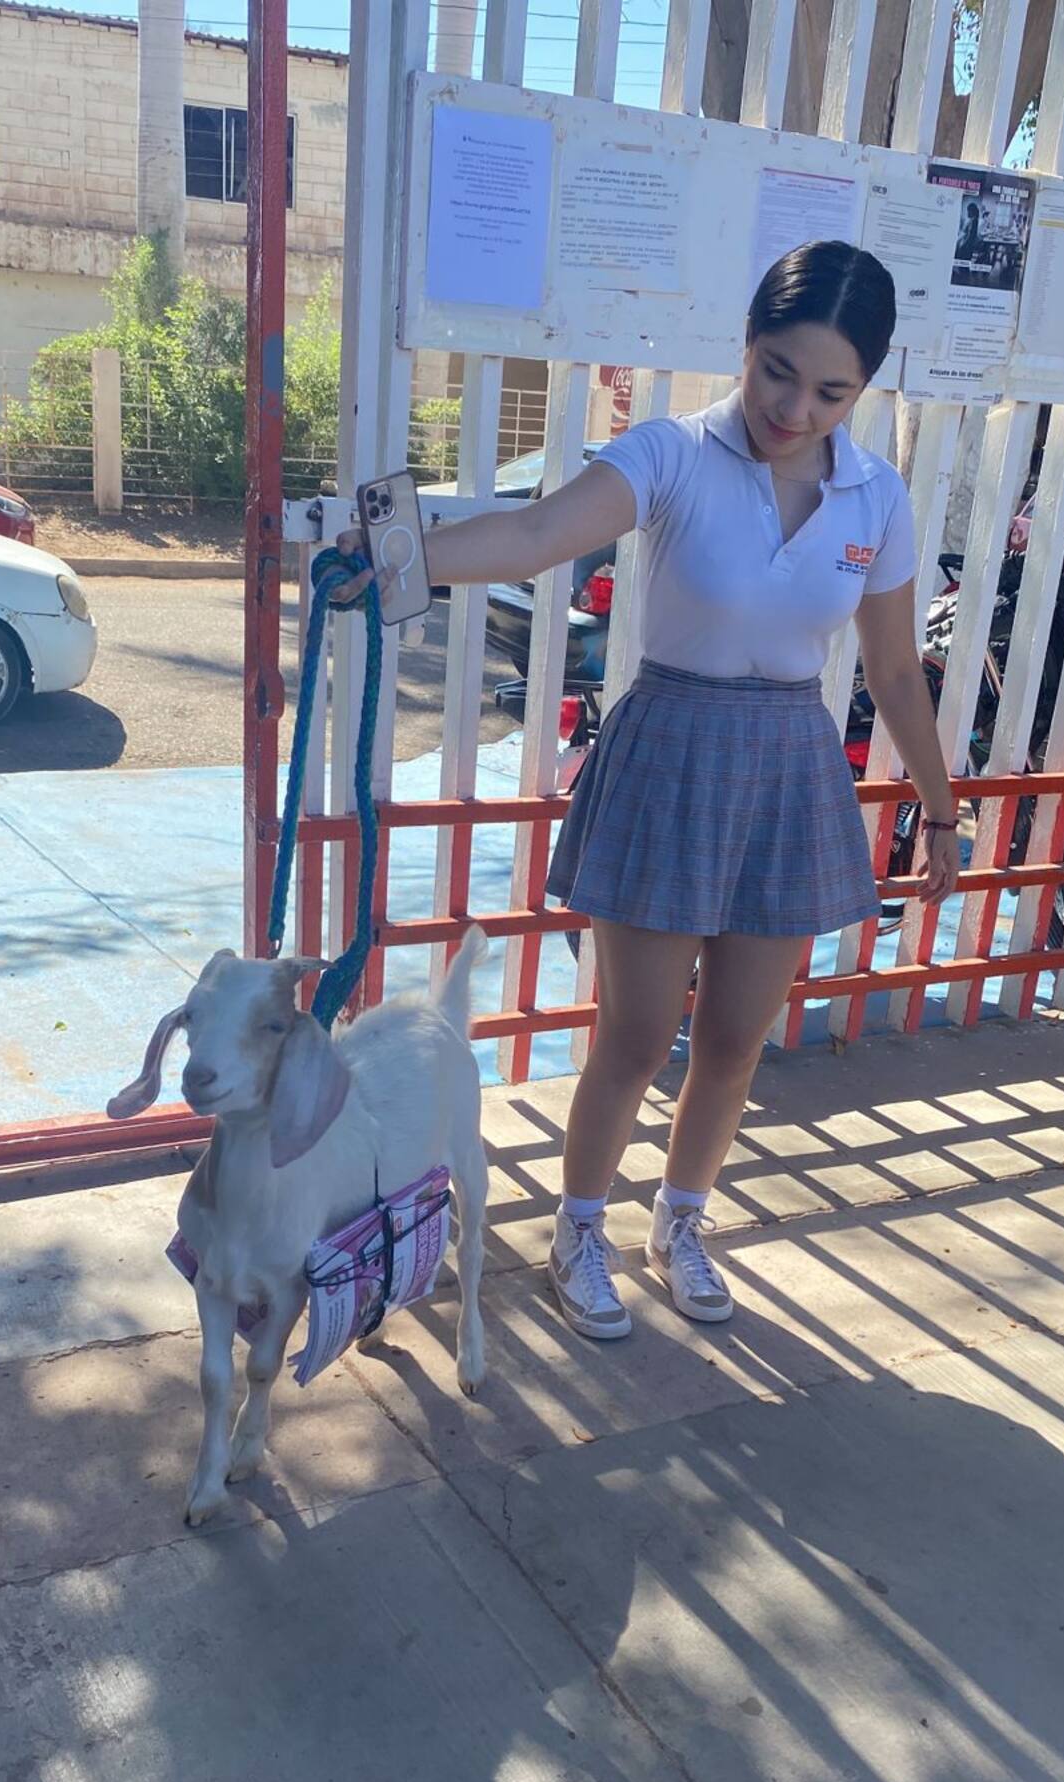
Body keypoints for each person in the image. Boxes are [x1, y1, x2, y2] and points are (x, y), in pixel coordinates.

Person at [341, 241, 960, 1344]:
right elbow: (536, 533)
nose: (795, 406)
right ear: (747, 346)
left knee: (733, 1041)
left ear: (862, 390)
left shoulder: (879, 495)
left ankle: (680, 1223)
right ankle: (580, 1227)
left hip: (787, 762)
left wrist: (941, 805)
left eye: (831, 390)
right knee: (634, 1035)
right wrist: (402, 551)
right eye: (779, 370)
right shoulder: (673, 454)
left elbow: (896, 668)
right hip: (672, 744)